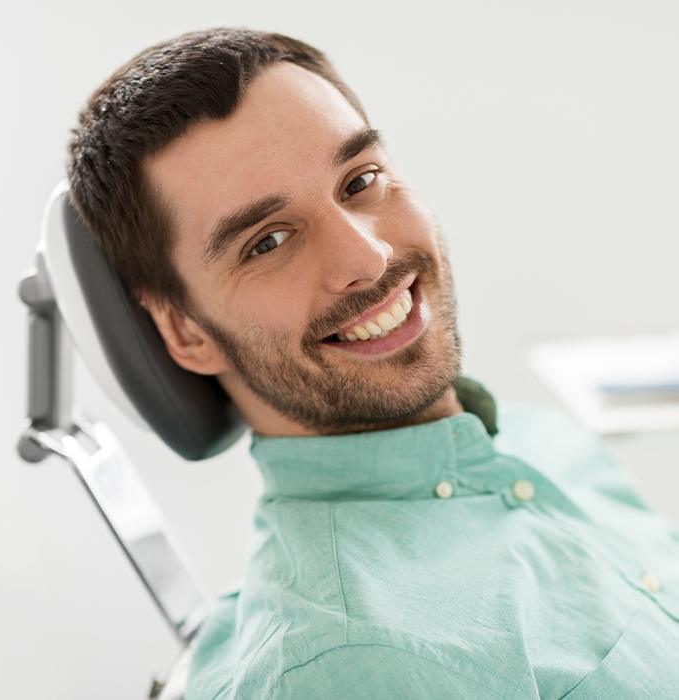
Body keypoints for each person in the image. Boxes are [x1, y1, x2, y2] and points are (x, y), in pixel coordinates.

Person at [67, 27, 679, 699]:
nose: (369, 258)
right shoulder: (353, 664)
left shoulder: (543, 441)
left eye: (359, 181)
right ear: (184, 331)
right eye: (268, 242)